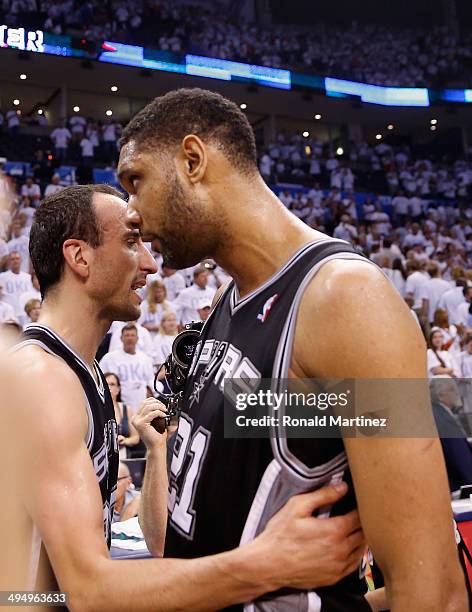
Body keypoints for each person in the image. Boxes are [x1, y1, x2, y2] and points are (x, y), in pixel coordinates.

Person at [118, 88, 466, 611]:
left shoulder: (346, 301)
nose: (131, 213)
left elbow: (433, 591)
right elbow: (293, 433)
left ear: (193, 160)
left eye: (135, 181)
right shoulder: (229, 301)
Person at [2, 183, 366, 608]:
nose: (150, 264)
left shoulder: (85, 372)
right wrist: (267, 564)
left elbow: (149, 547)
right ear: (79, 256)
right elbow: (84, 591)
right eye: (131, 242)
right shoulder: (40, 378)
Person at [99, 323, 155, 411]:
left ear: (137, 339)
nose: (130, 338)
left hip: (140, 406)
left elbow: (151, 381)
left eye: (132, 335)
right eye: (127, 335)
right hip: (119, 408)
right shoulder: (109, 358)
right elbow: (99, 379)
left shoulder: (145, 359)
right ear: (121, 338)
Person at [104, 372, 140, 459]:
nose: (109, 387)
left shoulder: (127, 409)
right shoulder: (96, 408)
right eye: (106, 384)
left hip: (123, 455)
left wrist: (125, 440)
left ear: (118, 389)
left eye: (112, 384)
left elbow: (136, 437)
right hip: (103, 456)